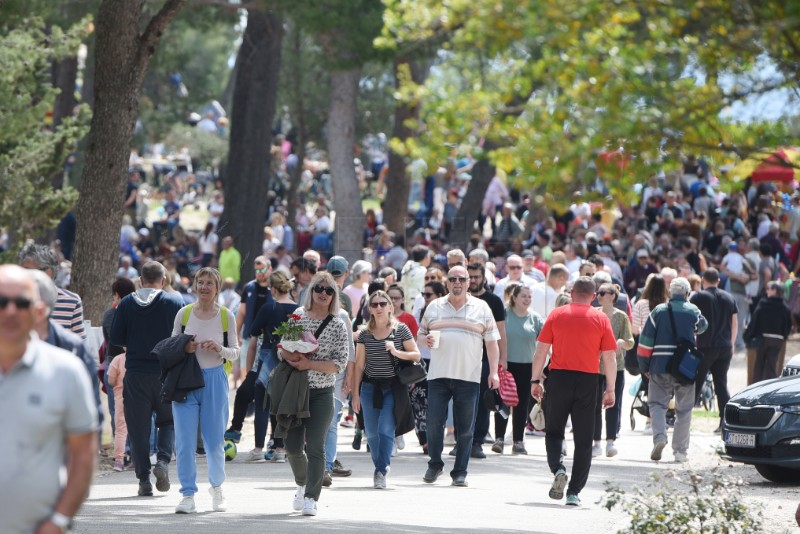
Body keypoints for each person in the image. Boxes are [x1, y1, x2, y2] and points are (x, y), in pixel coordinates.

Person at [0, 265, 98, 534]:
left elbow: (83, 454)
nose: (10, 311)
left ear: (40, 311)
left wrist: (59, 519)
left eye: (21, 303)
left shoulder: (67, 370)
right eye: (1, 302)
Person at [531, 276, 618, 507]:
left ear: (572, 293)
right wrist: (610, 389)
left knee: (554, 431)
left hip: (559, 378)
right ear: (593, 296)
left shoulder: (557, 314)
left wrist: (535, 380)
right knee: (583, 438)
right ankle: (574, 492)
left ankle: (558, 468)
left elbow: (541, 350)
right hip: (589, 381)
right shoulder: (600, 318)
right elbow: (609, 357)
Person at [418, 265, 501, 488]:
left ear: (468, 283)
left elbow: (492, 344)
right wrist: (424, 341)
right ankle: (435, 464)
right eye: (453, 279)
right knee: (434, 423)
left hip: (469, 376)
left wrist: (494, 372)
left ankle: (460, 471)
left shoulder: (481, 307)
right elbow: (420, 335)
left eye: (461, 279)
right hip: (438, 375)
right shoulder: (434, 306)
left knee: (465, 428)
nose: (457, 282)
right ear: (447, 282)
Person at [278, 272, 349, 517]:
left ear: (334, 296)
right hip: (295, 391)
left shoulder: (339, 324)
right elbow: (282, 351)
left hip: (322, 393)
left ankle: (311, 497)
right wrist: (294, 356)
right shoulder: (298, 315)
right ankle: (302, 482)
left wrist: (309, 364)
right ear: (312, 290)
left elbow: (339, 364)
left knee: (316, 446)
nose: (323, 293)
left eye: (329, 290)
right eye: (319, 288)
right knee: (293, 446)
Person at [110, 261, 184, 497]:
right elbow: (182, 337)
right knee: (167, 421)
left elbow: (116, 339)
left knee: (138, 428)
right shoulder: (174, 302)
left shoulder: (126, 304)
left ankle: (143, 479)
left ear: (140, 280)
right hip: (165, 372)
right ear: (163, 280)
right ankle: (162, 460)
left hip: (136, 372)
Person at [170, 268, 239, 514]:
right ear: (195, 285)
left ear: (217, 287)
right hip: (185, 381)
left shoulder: (226, 316)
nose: (205, 287)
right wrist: (185, 347)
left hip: (214, 380)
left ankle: (217, 489)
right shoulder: (184, 313)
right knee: (185, 441)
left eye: (210, 283)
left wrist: (220, 349)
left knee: (214, 441)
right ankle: (187, 495)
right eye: (201, 282)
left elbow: (235, 351)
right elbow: (171, 346)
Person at [352, 290, 420, 489]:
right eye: (375, 304)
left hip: (393, 387)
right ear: (370, 309)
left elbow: (416, 355)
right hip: (369, 388)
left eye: (383, 303)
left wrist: (396, 351)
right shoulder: (364, 333)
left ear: (391, 306)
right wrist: (355, 393)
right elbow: (358, 365)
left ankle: (381, 469)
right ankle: (380, 465)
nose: (379, 307)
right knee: (371, 433)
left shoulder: (401, 330)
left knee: (385, 429)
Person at [637, 277, 708, 463]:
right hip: (685, 366)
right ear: (687, 294)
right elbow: (703, 327)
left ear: (670, 293)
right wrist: (691, 309)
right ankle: (680, 452)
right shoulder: (693, 310)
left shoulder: (658, 311)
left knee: (657, 405)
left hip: (659, 365)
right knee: (684, 409)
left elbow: (645, 342)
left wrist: (645, 366)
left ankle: (660, 437)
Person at [243, 271, 299, 462]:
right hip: (291, 361)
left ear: (273, 288)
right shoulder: (298, 310)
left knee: (263, 405)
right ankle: (280, 448)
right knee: (282, 406)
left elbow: (254, 331)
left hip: (268, 357)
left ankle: (258, 449)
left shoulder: (269, 307)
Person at [492, 283, 544, 455]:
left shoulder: (535, 318)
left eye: (529, 296)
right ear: (514, 297)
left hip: (527, 366)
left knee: (522, 405)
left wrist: (545, 366)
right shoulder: (504, 315)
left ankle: (518, 441)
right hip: (506, 365)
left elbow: (545, 342)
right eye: (523, 296)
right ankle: (499, 439)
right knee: (503, 401)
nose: (527, 299)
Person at [689, 268, 737, 432]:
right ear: (718, 280)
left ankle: (684, 420)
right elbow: (735, 322)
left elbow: (690, 319)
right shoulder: (729, 297)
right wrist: (731, 344)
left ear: (703, 280)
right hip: (724, 346)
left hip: (704, 346)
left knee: (695, 383)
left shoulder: (698, 296)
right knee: (721, 384)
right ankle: (725, 422)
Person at [468, 262, 507, 459]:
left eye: (476, 276)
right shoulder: (460, 300)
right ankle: (462, 441)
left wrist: (503, 360)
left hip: (485, 359)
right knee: (462, 400)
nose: (473, 280)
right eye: (470, 276)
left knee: (484, 402)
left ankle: (477, 442)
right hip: (463, 360)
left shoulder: (493, 301)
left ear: (484, 278)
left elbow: (501, 332)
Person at [592, 283, 633, 458]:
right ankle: (596, 442)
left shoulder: (621, 316)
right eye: (598, 293)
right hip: (594, 366)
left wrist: (622, 343)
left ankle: (611, 441)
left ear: (613, 296)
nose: (599, 296)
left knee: (613, 405)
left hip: (616, 366)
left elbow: (631, 341)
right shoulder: (594, 314)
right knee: (594, 406)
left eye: (602, 293)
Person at [18, 243, 85, 338]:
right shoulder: (13, 300)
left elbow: (79, 344)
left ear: (48, 272)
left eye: (28, 270)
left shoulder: (72, 301)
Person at [411, 280, 447, 453]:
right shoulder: (419, 312)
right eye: (423, 294)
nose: (425, 298)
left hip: (439, 361)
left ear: (439, 295)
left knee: (436, 403)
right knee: (419, 402)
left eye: (428, 294)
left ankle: (435, 438)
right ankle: (424, 440)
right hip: (421, 361)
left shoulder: (446, 313)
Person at [743, 280, 792, 383]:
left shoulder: (764, 303)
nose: (767, 291)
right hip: (778, 340)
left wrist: (748, 335)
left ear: (774, 290)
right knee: (771, 366)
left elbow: (755, 320)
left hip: (763, 338)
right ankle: (769, 391)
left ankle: (755, 389)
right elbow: (788, 324)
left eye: (769, 289)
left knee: (759, 365)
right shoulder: (785, 307)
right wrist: (784, 336)